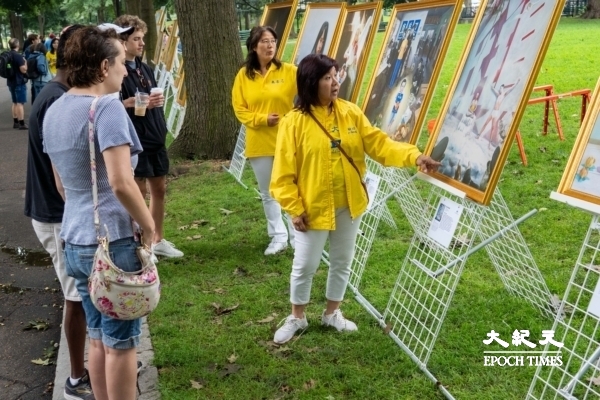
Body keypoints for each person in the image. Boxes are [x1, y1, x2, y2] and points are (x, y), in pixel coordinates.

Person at [269, 54, 440, 344]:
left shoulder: (350, 112)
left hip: (350, 204)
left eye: (336, 76)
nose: (335, 83)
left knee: (342, 261)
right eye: (327, 78)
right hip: (311, 209)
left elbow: (379, 144)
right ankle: (297, 316)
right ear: (311, 83)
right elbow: (283, 173)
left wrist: (415, 155)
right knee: (304, 265)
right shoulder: (293, 123)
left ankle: (332, 312)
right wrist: (295, 208)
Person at [43, 26, 155, 400]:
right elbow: (122, 182)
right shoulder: (105, 108)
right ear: (105, 66)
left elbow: (62, 186)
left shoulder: (55, 109)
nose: (126, 71)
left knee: (98, 334)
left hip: (74, 239)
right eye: (122, 62)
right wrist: (149, 223)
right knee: (122, 343)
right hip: (112, 243)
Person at [24, 25, 94, 400]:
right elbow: (63, 177)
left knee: (81, 294)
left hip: (59, 213)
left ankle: (92, 366)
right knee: (77, 296)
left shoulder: (59, 94)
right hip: (56, 215)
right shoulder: (58, 100)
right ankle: (75, 378)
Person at [113, 15, 183, 259]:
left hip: (155, 136)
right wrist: (130, 103)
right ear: (122, 41)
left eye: (142, 38)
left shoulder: (145, 68)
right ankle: (142, 244)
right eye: (136, 39)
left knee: (160, 189)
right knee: (138, 191)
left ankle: (158, 239)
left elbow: (149, 102)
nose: (141, 43)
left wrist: (154, 104)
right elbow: (107, 106)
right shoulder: (116, 72)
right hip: (135, 139)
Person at [232, 26, 297, 255]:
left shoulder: (289, 71)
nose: (270, 46)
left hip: (288, 141)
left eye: (273, 41)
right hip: (259, 142)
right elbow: (239, 109)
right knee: (268, 192)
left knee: (290, 187)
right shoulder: (243, 76)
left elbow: (308, 92)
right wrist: (261, 119)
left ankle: (297, 235)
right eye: (264, 42)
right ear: (253, 47)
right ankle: (278, 236)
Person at [6, 38, 28, 130]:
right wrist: (26, 63)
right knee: (20, 103)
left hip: (10, 81)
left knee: (14, 102)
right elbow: (23, 70)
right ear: (18, 45)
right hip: (19, 81)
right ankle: (22, 123)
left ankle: (15, 122)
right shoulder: (18, 56)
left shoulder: (7, 55)